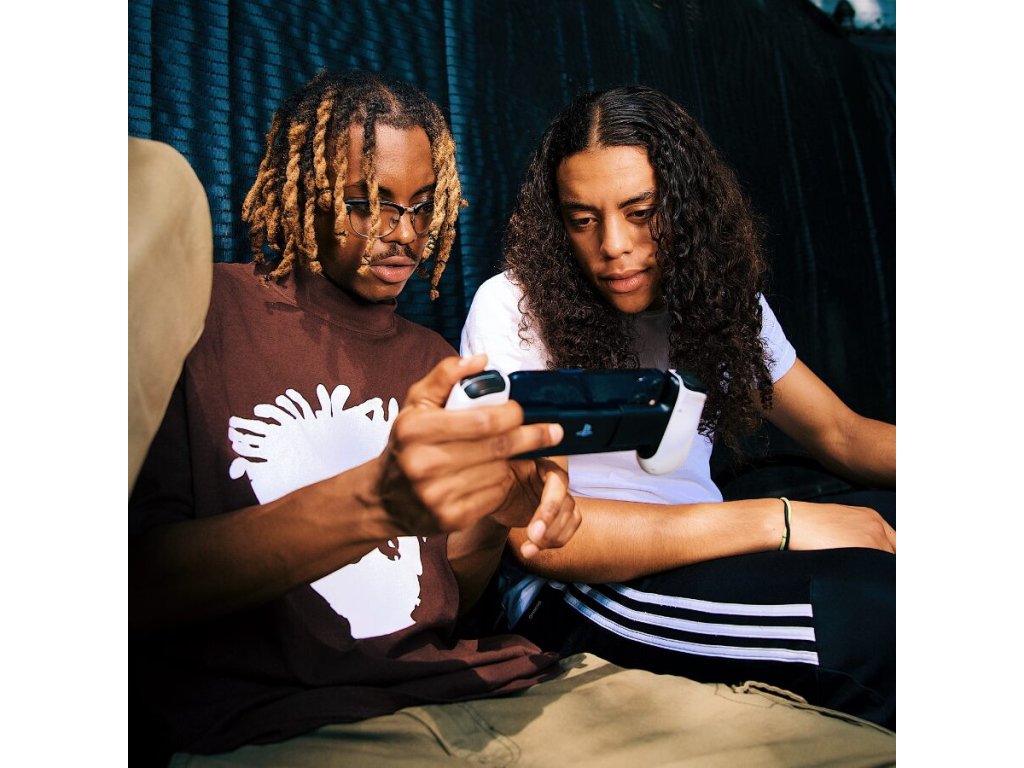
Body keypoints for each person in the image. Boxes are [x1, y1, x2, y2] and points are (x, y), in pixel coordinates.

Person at [130, 71, 896, 766]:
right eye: (366, 202)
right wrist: (379, 504)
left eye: (421, 207)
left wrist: (501, 511)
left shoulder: (432, 360)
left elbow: (450, 600)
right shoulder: (202, 312)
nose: (403, 234)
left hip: (489, 686)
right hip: (288, 721)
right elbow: (137, 588)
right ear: (301, 187)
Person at [460, 85, 897, 729]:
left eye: (641, 212)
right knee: (875, 615)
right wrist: (780, 520)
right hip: (580, 590)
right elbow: (540, 537)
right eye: (583, 220)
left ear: (687, 206)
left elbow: (842, 433)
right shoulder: (512, 307)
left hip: (708, 551)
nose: (614, 244)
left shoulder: (720, 302)